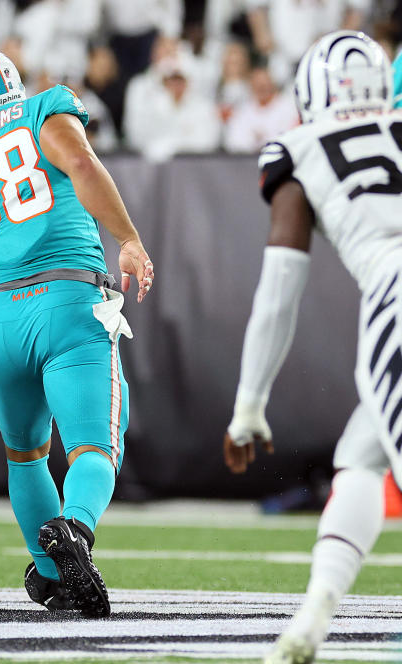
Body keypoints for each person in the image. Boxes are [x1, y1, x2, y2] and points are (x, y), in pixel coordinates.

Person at [0, 46, 154, 616]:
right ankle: (75, 532)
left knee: (25, 456)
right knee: (94, 445)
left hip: (0, 319)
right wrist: (128, 237)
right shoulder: (43, 109)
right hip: (67, 298)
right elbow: (81, 164)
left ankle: (56, 576)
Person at [223, 31, 402, 664]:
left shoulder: (298, 149)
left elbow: (279, 292)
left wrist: (249, 404)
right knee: (361, 453)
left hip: (397, 294)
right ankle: (312, 619)